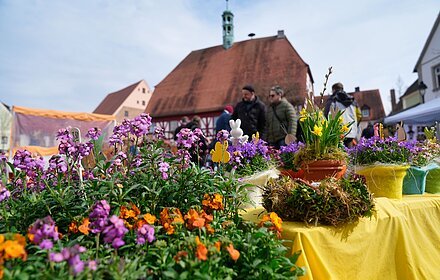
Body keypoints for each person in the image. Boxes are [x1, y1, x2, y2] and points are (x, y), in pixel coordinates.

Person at [324, 82, 358, 147]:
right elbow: (359, 116)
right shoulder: (352, 100)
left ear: (334, 90)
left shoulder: (332, 99)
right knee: (349, 153)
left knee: (338, 153)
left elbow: (327, 114)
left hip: (337, 132)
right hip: (351, 131)